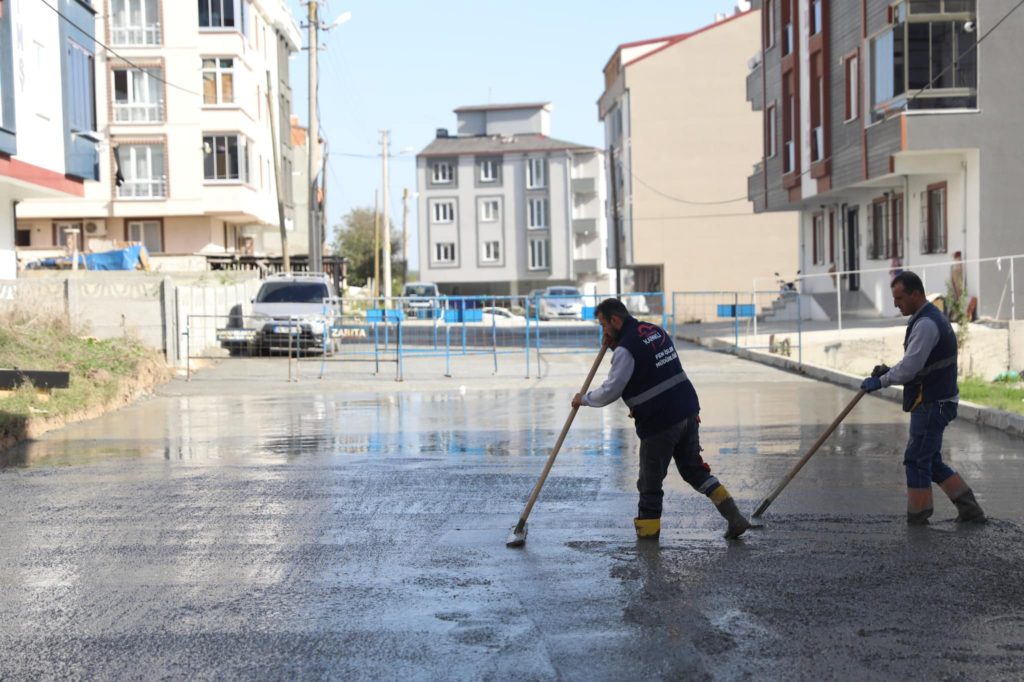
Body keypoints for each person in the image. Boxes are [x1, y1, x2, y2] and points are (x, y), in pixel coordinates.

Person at [571, 298, 751, 540]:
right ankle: (735, 517)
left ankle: (647, 539)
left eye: (603, 325)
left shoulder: (626, 349)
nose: (603, 331)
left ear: (615, 320)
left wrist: (583, 399)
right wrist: (616, 344)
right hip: (687, 410)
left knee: (650, 483)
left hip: (660, 421)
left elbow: (612, 390)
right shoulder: (654, 330)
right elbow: (647, 362)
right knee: (694, 470)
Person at [860, 271, 986, 525]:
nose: (896, 304)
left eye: (899, 298)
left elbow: (911, 368)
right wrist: (889, 371)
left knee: (916, 459)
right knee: (930, 459)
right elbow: (915, 362)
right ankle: (970, 509)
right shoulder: (925, 319)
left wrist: (882, 381)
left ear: (916, 294)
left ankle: (918, 517)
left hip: (933, 403)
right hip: (936, 401)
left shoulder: (927, 324)